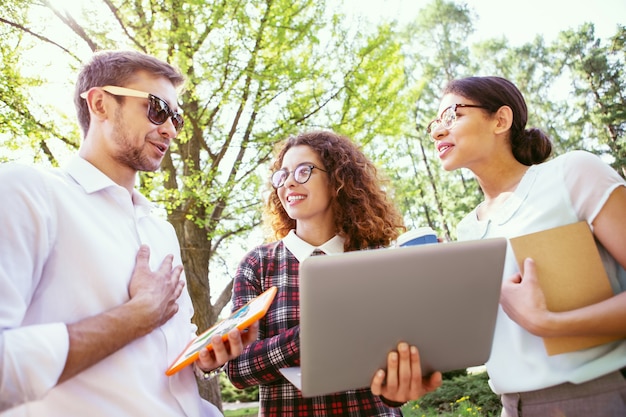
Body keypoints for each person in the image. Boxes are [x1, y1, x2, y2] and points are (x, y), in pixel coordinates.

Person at [0, 50, 258, 416]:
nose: (170, 129)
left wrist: (204, 354)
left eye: (177, 119)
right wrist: (137, 317)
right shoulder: (27, 193)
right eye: (157, 109)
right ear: (100, 104)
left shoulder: (161, 229)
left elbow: (167, 357)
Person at [427, 75, 626, 417]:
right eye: (435, 123)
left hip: (596, 398)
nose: (437, 131)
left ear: (501, 120)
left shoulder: (573, 173)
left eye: (453, 115)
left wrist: (549, 323)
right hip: (511, 407)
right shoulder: (467, 230)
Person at [225, 130, 442, 416]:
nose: (288, 181)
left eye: (304, 171)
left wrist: (395, 391)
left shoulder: (379, 256)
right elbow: (238, 368)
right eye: (282, 175)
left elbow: (405, 354)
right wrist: (313, 336)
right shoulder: (257, 265)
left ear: (338, 179)